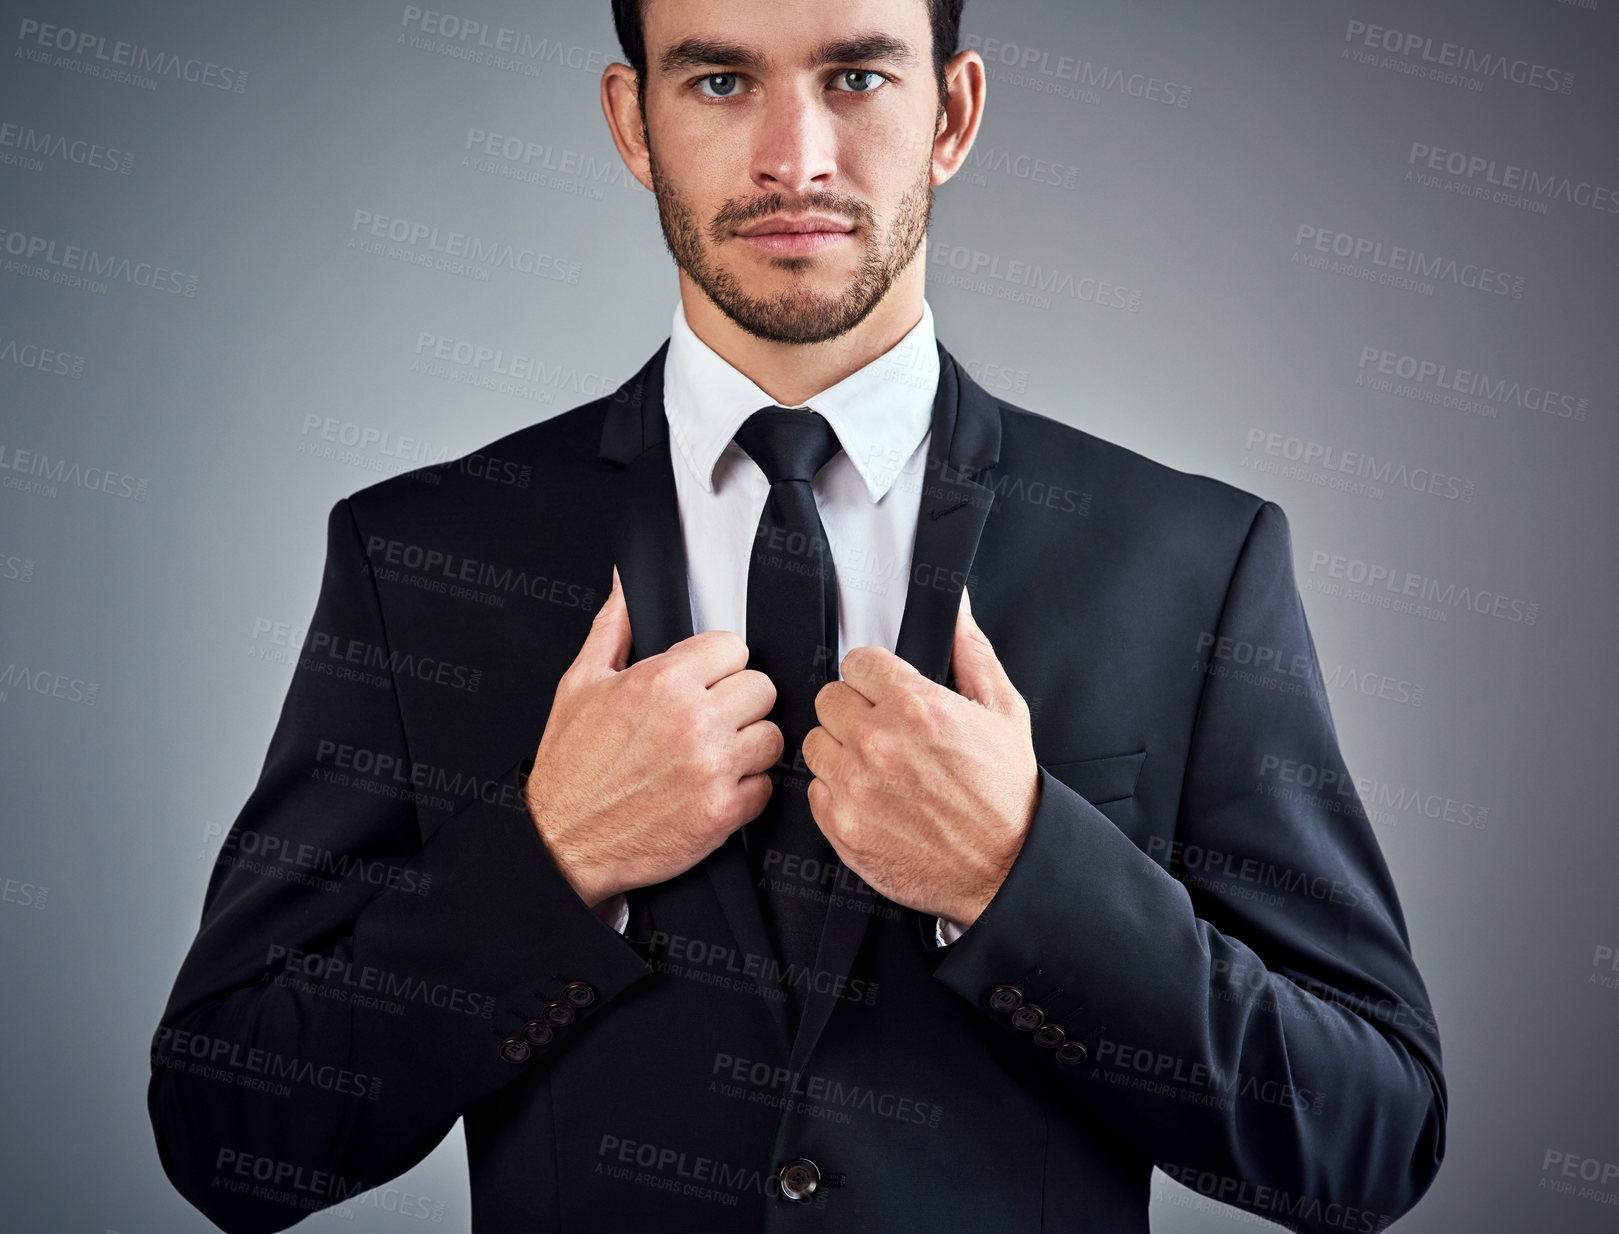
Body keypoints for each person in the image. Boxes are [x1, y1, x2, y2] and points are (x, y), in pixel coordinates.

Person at [149, 1, 1446, 1230]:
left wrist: (1025, 876)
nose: (795, 157)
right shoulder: (421, 554)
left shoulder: (1194, 562)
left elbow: (1372, 1134)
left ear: (952, 110)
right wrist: (547, 858)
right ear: (631, 121)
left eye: (857, 76)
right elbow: (226, 1121)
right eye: (721, 80)